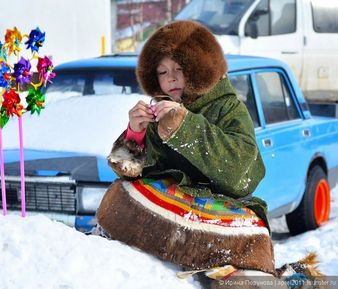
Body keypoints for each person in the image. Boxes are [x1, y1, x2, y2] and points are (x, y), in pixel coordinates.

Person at [96, 20, 326, 286]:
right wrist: (135, 133)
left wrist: (184, 126)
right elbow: (141, 173)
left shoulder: (229, 108)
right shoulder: (159, 110)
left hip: (224, 209)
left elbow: (242, 175)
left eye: (179, 69)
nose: (170, 78)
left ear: (199, 67)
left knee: (243, 253)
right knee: (121, 194)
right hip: (176, 202)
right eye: (162, 71)